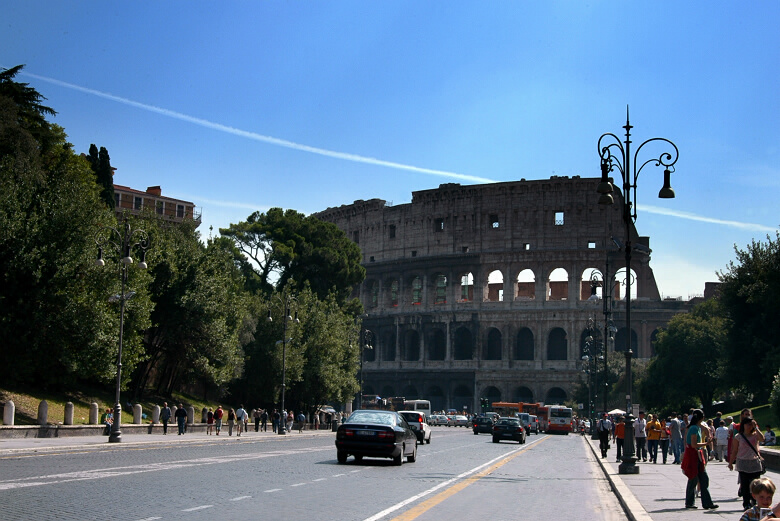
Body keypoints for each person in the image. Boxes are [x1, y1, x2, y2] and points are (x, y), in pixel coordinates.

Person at [682, 409, 718, 510]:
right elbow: (694, 444)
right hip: (694, 455)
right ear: (702, 418)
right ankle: (690, 502)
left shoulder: (697, 427)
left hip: (697, 454)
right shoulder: (694, 428)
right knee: (693, 478)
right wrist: (706, 444)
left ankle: (707, 502)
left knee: (703, 478)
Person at [729, 416, 766, 510]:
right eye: (748, 424)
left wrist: (756, 427)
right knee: (745, 485)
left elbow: (762, 439)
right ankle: (746, 503)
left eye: (751, 424)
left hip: (754, 463)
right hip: (743, 462)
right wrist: (730, 462)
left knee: (756, 485)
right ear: (743, 425)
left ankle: (755, 501)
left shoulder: (755, 435)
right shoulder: (739, 437)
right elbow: (735, 450)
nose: (750, 426)